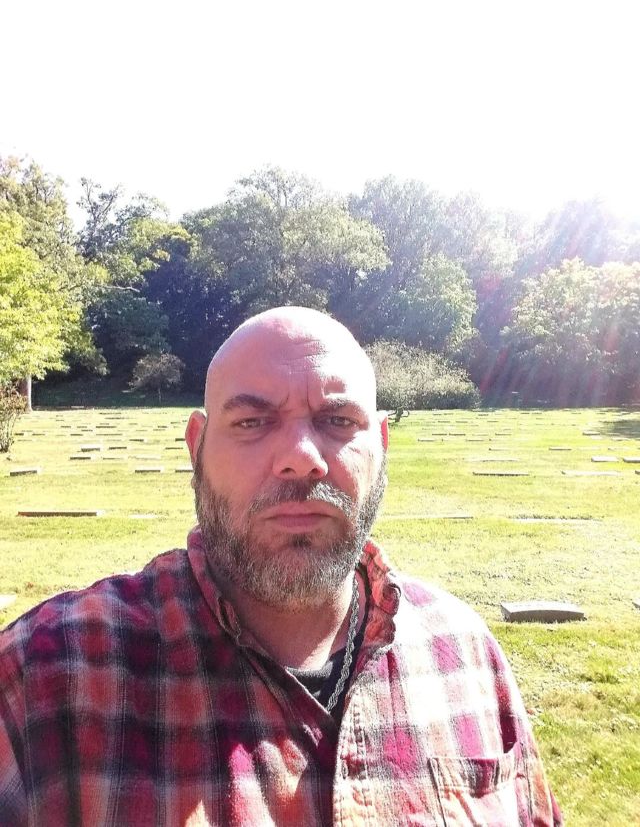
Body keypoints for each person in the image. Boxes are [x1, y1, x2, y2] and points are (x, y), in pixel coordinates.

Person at [0, 306, 562, 826]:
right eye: (252, 421)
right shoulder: (44, 676)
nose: (301, 458)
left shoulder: (465, 653)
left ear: (381, 446)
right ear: (197, 448)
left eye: (337, 420)